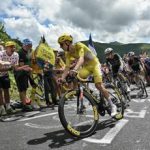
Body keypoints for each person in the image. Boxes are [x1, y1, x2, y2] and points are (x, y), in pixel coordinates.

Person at [57, 34, 117, 117]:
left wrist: (75, 69)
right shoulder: (68, 54)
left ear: (67, 42)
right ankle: (92, 94)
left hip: (95, 64)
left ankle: (112, 105)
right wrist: (62, 78)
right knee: (77, 78)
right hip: (87, 67)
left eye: (61, 44)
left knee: (98, 85)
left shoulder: (79, 46)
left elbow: (81, 59)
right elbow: (67, 67)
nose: (60, 47)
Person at [0, 41, 31, 116]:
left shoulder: (16, 55)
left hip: (5, 74)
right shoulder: (1, 53)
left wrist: (23, 68)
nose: (13, 48)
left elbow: (16, 68)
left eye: (13, 46)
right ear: (6, 48)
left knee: (6, 90)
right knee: (0, 91)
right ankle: (1, 108)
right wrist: (9, 65)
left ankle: (8, 107)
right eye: (10, 47)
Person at [14, 39, 34, 111]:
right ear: (25, 45)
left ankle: (24, 103)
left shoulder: (27, 52)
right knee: (22, 89)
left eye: (30, 45)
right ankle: (24, 105)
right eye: (29, 45)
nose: (30, 47)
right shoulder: (21, 53)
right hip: (20, 74)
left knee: (24, 89)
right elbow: (21, 65)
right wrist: (29, 69)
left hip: (25, 73)